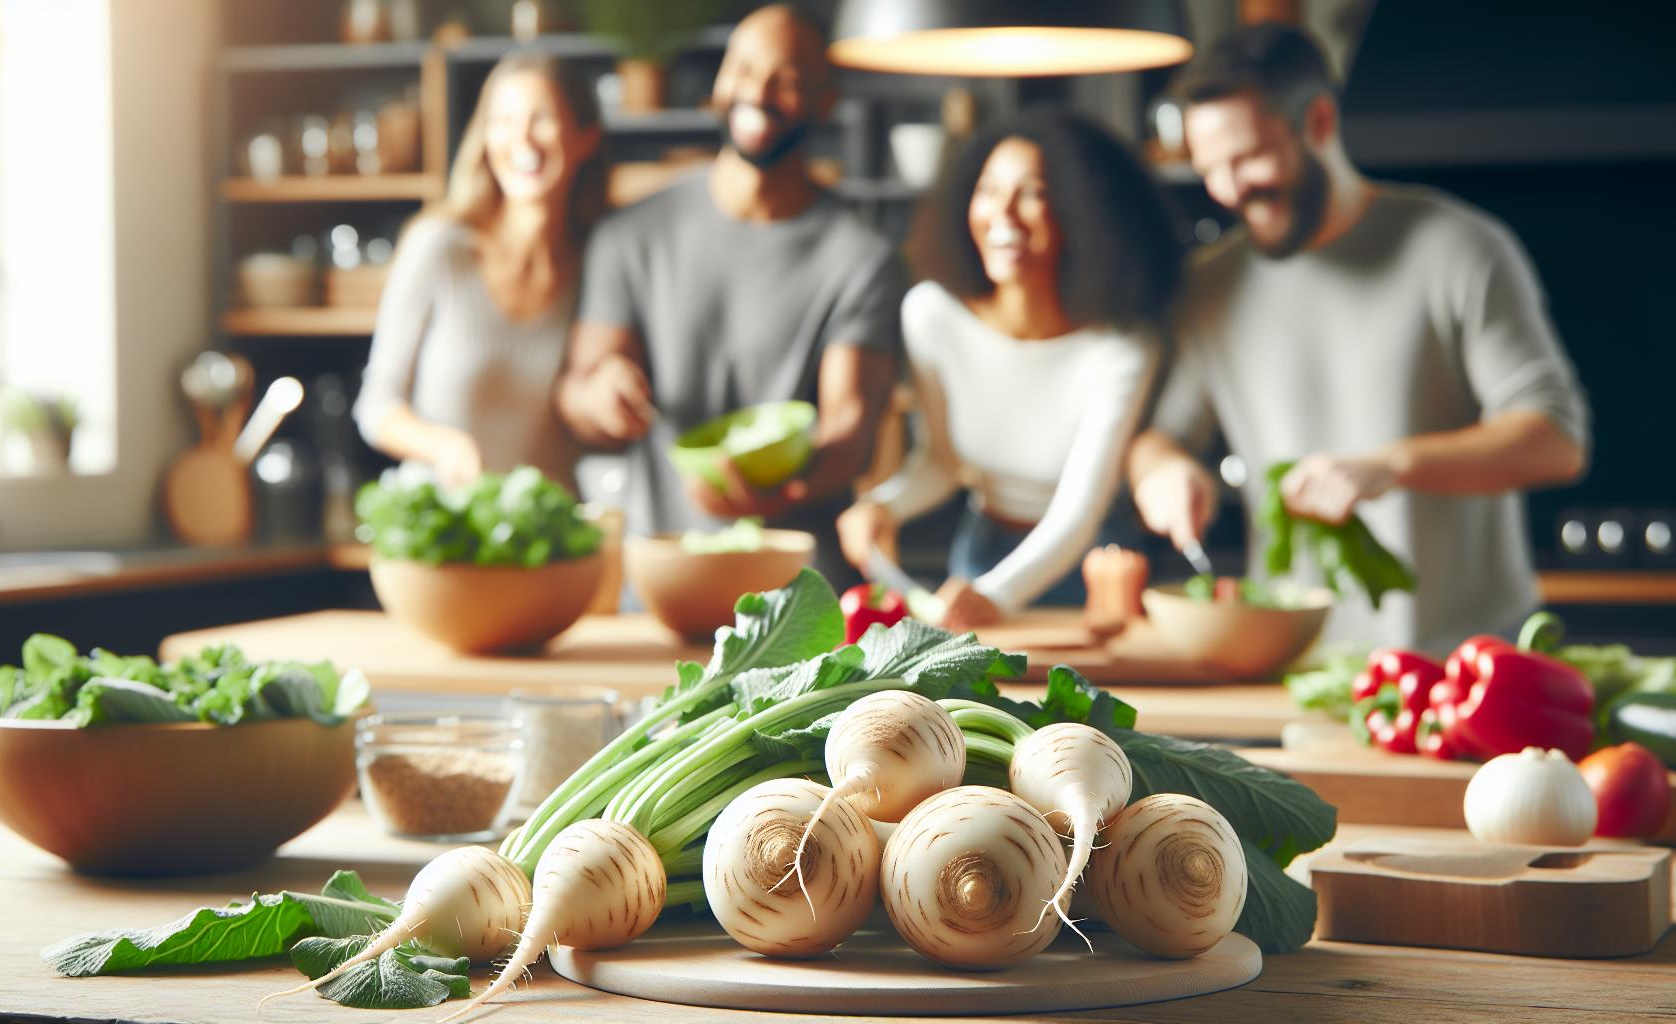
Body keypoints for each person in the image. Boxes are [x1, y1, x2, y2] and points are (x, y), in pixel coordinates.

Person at [1127, 23, 1589, 651]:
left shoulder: (1460, 248)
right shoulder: (1212, 284)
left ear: (1318, 121)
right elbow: (1160, 438)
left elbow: (1556, 440)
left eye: (1249, 159)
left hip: (1474, 658)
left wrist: (1390, 464)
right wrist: (1164, 471)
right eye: (1211, 169)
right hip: (1297, 660)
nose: (1229, 190)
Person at [552, 5, 903, 578]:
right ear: (718, 81)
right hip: (665, 576)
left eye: (786, 79)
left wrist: (781, 493)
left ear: (825, 101)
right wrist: (603, 395)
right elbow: (576, 393)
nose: (757, 92)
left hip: (804, 589)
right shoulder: (631, 234)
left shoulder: (863, 258)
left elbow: (850, 431)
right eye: (742, 69)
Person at [836, 110, 1180, 630]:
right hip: (980, 555)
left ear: (1082, 213)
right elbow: (942, 462)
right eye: (988, 190)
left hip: (1097, 569)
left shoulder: (1122, 346)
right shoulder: (932, 315)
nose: (1003, 214)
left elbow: (1078, 514)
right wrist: (882, 507)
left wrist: (996, 594)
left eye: (1032, 193)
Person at [355, 55, 606, 489]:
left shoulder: (599, 265)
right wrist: (443, 446)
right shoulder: (439, 247)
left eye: (541, 118)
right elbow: (375, 408)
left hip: (545, 537)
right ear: (485, 138)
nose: (521, 138)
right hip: (444, 528)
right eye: (502, 121)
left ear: (586, 137)